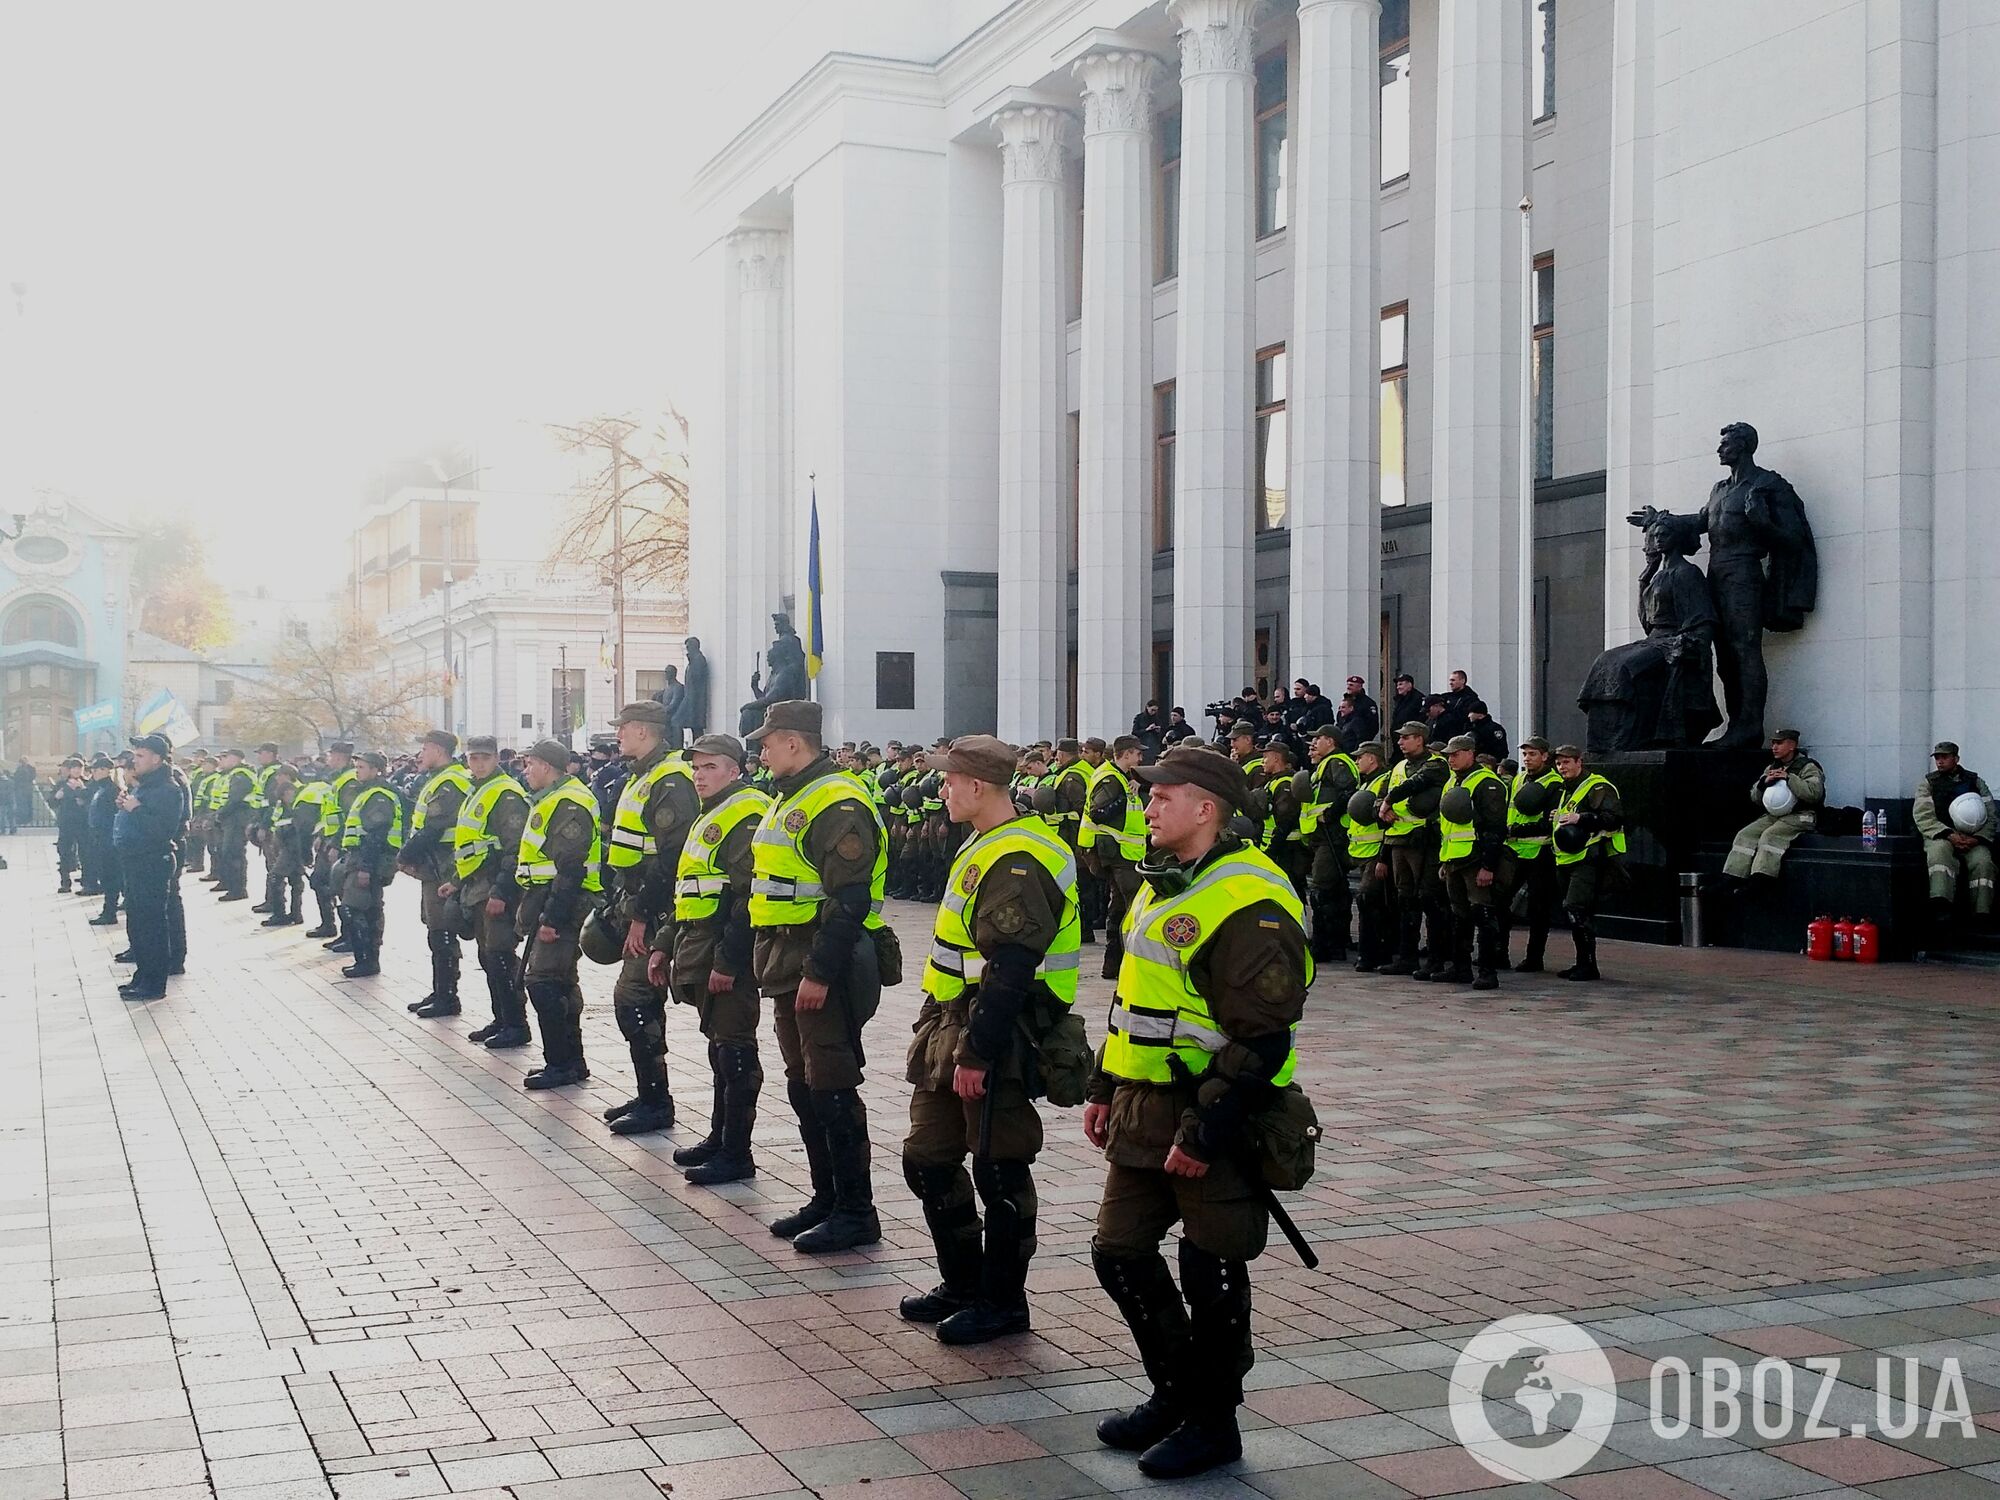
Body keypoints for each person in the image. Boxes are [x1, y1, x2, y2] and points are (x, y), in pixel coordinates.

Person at [1084, 745, 1310, 1480]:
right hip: (1143, 1103)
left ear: (1206, 807)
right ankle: (1176, 1391)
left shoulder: (1249, 897)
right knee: (1118, 1251)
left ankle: (1215, 1420)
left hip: (1214, 1111)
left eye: (1161, 797)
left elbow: (1265, 1036)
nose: (1145, 807)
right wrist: (1103, 1084)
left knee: (1209, 1265)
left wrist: (1208, 1128)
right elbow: (1134, 1002)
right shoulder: (1167, 880)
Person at [900, 734, 1080, 1346]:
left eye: (949, 780)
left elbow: (1010, 966)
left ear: (979, 786)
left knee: (999, 1167)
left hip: (998, 1029)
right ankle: (964, 1283)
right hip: (953, 1019)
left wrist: (978, 1051)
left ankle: (1003, 1300)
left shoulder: (1021, 857)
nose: (941, 789)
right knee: (927, 1156)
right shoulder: (986, 843)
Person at [746, 699, 891, 1254]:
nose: (761, 750)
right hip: (786, 959)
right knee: (805, 1084)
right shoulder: (793, 795)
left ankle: (857, 1211)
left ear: (793, 742)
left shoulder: (835, 800)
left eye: (767, 741)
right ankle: (826, 1197)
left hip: (819, 959)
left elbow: (849, 898)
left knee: (831, 1086)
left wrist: (820, 972)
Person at [660, 733, 770, 1185]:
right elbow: (690, 887)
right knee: (719, 1045)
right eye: (696, 767)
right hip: (700, 942)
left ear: (735, 770)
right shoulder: (714, 811)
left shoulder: (745, 811)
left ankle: (737, 1153)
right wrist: (666, 942)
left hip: (728, 949)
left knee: (735, 1048)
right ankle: (720, 1138)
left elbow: (746, 897)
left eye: (710, 767)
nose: (699, 775)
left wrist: (728, 961)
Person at [601, 701, 700, 1137]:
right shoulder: (643, 775)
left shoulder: (669, 778)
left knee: (635, 999)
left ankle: (657, 1102)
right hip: (636, 901)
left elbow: (671, 857)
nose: (617, 735)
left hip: (656, 908)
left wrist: (643, 914)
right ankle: (649, 1095)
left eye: (622, 728)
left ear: (643, 731)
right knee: (636, 1000)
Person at [514, 739, 604, 1089]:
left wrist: (551, 918)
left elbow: (571, 867)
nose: (525, 771)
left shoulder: (569, 802)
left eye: (530, 764)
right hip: (551, 899)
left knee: (544, 981)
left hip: (565, 903)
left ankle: (561, 1063)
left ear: (547, 767)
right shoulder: (553, 799)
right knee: (560, 980)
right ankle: (570, 1061)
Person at [444, 736, 533, 1049]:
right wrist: (456, 880)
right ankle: (502, 1018)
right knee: (487, 955)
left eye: (484, 757)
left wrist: (501, 892)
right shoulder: (477, 790)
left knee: (500, 955)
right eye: (473, 757)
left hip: (495, 886)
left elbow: (514, 849)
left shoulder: (505, 794)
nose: (478, 763)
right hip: (476, 885)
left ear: (496, 758)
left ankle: (516, 1023)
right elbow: (475, 845)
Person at [399, 731, 474, 1018]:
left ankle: (448, 995)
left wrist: (404, 856)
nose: (421, 754)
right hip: (434, 866)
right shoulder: (440, 778)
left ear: (440, 750)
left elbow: (434, 828)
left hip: (444, 866)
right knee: (434, 928)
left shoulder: (450, 781)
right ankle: (441, 989)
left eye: (426, 748)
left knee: (442, 930)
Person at [114, 734, 185, 1001]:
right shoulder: (146, 786)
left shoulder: (168, 788)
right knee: (138, 923)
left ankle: (154, 983)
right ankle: (143, 975)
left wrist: (136, 809)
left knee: (152, 925)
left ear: (157, 759)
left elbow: (161, 830)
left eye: (141, 756)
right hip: (135, 860)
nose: (135, 760)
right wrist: (127, 805)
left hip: (153, 862)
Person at [1434, 735, 1508, 989]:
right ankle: (1460, 966)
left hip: (1475, 859)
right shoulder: (1453, 782)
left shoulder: (1487, 783)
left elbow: (1494, 827)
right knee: (1459, 915)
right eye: (1449, 755)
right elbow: (1447, 826)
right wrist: (1445, 860)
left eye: (1455, 754)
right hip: (1454, 858)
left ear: (1470, 754)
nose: (1451, 759)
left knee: (1482, 913)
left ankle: (1488, 971)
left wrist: (1488, 866)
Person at [1375, 722, 1449, 978]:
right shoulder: (1396, 768)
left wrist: (1389, 800)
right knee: (1405, 900)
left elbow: (1419, 783)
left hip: (1424, 841)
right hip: (1398, 841)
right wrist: (1382, 807)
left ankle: (1436, 958)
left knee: (1429, 898)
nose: (1400, 742)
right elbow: (1380, 795)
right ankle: (1407, 956)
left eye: (1406, 738)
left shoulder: (1437, 764)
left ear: (1420, 739)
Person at [1551, 746, 1626, 980]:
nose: (1562, 767)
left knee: (1576, 908)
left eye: (1566, 762)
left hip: (1588, 858)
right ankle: (1582, 962)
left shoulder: (1598, 786)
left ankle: (1588, 965)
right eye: (1559, 764)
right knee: (1574, 911)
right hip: (1566, 858)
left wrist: (1580, 818)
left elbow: (1613, 818)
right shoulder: (1568, 789)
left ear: (1579, 762)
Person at [1721, 729, 1825, 887]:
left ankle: (1761, 879)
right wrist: (1764, 783)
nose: (1774, 747)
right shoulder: (1772, 767)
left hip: (1801, 815)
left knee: (1770, 835)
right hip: (1775, 815)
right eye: (1773, 743)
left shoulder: (1808, 767)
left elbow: (1814, 794)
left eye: (1779, 743)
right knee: (1746, 834)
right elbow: (1755, 798)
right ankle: (1733, 877)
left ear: (1792, 745)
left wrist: (1789, 778)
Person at [1081, 736, 1147, 981]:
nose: (1140, 759)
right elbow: (1098, 813)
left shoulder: (1117, 776)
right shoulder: (1111, 778)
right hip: (1117, 853)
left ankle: (1114, 964)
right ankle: (1128, 963)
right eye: (1137, 754)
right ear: (1126, 754)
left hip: (1120, 853)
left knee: (1119, 908)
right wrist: (1124, 797)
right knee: (1132, 908)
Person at [334, 752, 405, 979]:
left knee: (356, 908)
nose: (357, 770)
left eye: (362, 767)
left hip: (371, 860)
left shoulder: (378, 796)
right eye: (357, 766)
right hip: (363, 858)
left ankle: (366, 960)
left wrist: (365, 867)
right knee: (367, 908)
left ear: (376, 770)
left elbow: (376, 834)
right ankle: (366, 959)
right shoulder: (369, 792)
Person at [1498, 737, 1563, 972]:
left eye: (1532, 754)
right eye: (1525, 754)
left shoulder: (1554, 783)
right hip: (1514, 850)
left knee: (1538, 908)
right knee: (1501, 902)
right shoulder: (1519, 779)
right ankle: (1500, 953)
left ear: (1545, 756)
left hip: (1540, 851)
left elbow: (1550, 823)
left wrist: (1516, 830)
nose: (1527, 759)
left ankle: (1534, 958)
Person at [1913, 741, 1995, 924]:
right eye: (1937, 758)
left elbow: (1991, 815)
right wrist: (1948, 834)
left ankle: (1982, 911)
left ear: (1956, 758)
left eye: (1944, 757)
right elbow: (1923, 815)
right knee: (1939, 854)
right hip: (1941, 834)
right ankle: (1941, 905)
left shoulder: (1975, 782)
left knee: (1983, 861)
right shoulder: (1929, 783)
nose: (1940, 761)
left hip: (1973, 837)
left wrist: (1977, 838)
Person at [1299, 725, 1359, 961]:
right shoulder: (1324, 765)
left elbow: (1348, 792)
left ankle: (1324, 945)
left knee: (1322, 889)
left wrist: (1331, 814)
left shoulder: (1337, 763)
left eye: (1319, 739)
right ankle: (1334, 942)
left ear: (1331, 742)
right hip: (1322, 836)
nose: (1314, 744)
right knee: (1334, 890)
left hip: (1332, 835)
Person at [1345, 743, 1395, 972]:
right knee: (1369, 902)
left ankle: (1371, 953)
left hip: (1377, 850)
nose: (1356, 762)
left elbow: (1384, 817)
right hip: (1362, 851)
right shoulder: (1365, 782)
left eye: (1360, 757)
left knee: (1368, 900)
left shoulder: (1383, 781)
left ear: (1373, 759)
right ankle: (1374, 952)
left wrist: (1384, 856)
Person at [311, 742, 359, 945]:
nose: (328, 758)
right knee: (320, 881)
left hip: (339, 843)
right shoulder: (338, 779)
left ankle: (347, 934)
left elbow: (349, 816)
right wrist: (322, 835)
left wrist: (336, 844)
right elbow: (330, 813)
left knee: (341, 888)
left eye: (331, 755)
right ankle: (330, 925)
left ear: (339, 756)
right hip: (329, 839)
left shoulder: (349, 781)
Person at [1050, 739, 1095, 942]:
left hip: (1074, 836)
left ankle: (1084, 929)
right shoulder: (1083, 769)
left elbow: (1078, 809)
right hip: (1079, 835)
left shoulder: (1072, 777)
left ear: (1062, 754)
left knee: (1081, 884)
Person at [259, 766, 316, 927]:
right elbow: (275, 816)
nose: (277, 779)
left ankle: (280, 914)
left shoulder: (299, 792)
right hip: (284, 842)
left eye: (279, 776)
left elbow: (301, 821)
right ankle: (295, 914)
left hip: (293, 843)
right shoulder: (282, 793)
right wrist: (268, 829)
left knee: (276, 876)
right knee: (295, 878)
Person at [211, 748, 257, 901]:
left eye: (226, 757)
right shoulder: (233, 774)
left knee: (233, 853)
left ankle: (237, 890)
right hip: (231, 818)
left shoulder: (241, 775)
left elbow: (235, 799)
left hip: (238, 818)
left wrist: (220, 813)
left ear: (236, 758)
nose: (222, 760)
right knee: (227, 853)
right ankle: (230, 886)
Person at [85, 755, 122, 924]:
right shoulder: (100, 788)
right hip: (99, 836)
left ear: (105, 770)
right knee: (106, 875)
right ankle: (108, 910)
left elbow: (110, 815)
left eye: (95, 769)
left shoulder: (110, 789)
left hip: (108, 838)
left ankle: (110, 911)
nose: (92, 772)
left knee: (110, 876)